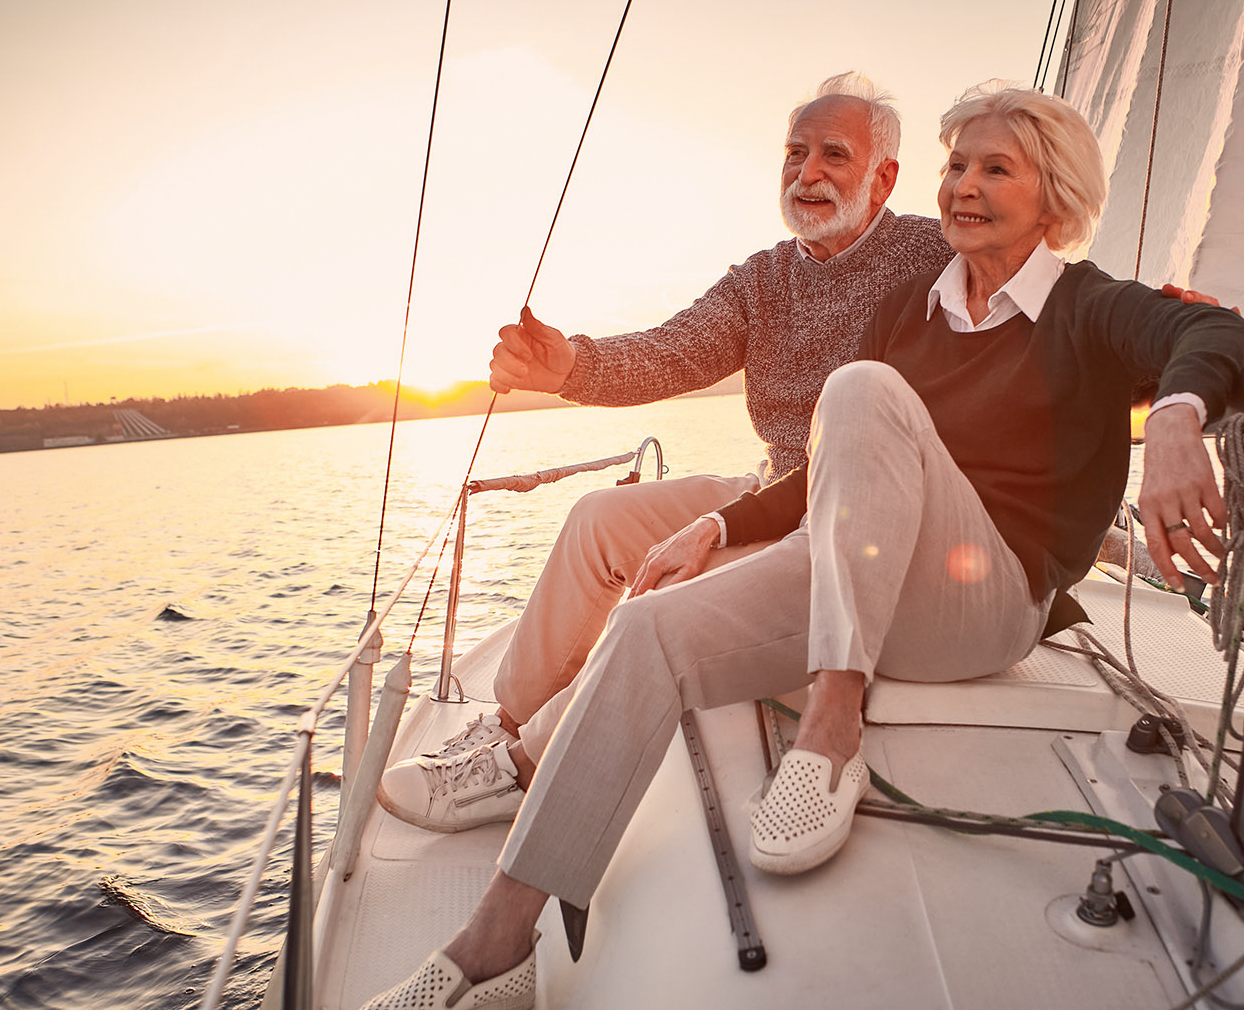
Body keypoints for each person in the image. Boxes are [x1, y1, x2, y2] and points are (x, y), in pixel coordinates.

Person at [333, 82, 1244, 1010]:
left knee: (858, 388)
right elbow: (829, 465)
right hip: (866, 562)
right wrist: (719, 524)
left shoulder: (1086, 304)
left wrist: (1170, 421)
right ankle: (493, 947)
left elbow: (1217, 337)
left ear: (1053, 193)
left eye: (996, 168)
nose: (965, 186)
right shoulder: (911, 304)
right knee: (648, 625)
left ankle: (831, 724)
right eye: (958, 165)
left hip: (987, 597)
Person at [374, 72, 953, 831]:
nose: (806, 173)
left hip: (855, 522)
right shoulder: (765, 278)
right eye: (794, 151)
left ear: (882, 178)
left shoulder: (933, 253)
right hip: (772, 489)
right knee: (599, 521)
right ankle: (506, 725)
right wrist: (568, 367)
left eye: (832, 155)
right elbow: (670, 352)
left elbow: (1036, 297)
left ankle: (535, 762)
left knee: (674, 584)